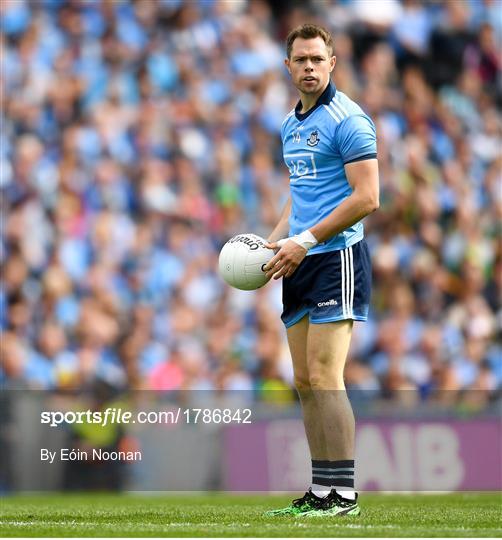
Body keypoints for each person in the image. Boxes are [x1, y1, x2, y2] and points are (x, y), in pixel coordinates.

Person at [263, 24, 379, 517]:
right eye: (300, 60)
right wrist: (273, 239)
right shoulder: (290, 124)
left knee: (328, 375)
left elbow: (367, 198)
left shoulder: (349, 120)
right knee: (305, 380)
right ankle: (321, 490)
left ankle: (345, 496)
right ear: (287, 67)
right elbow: (303, 195)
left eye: (317, 59)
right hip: (300, 260)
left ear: (332, 63)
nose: (309, 67)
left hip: (337, 257)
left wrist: (306, 239)